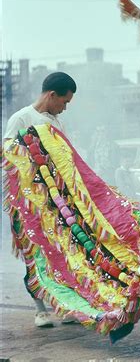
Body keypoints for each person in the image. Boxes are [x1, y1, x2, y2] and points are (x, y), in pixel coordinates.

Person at [3, 72, 77, 328]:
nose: (64, 108)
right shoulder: (22, 118)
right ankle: (40, 309)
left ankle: (66, 306)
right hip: (29, 201)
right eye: (64, 102)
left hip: (57, 201)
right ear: (52, 95)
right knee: (35, 254)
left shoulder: (57, 122)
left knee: (62, 253)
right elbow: (7, 154)